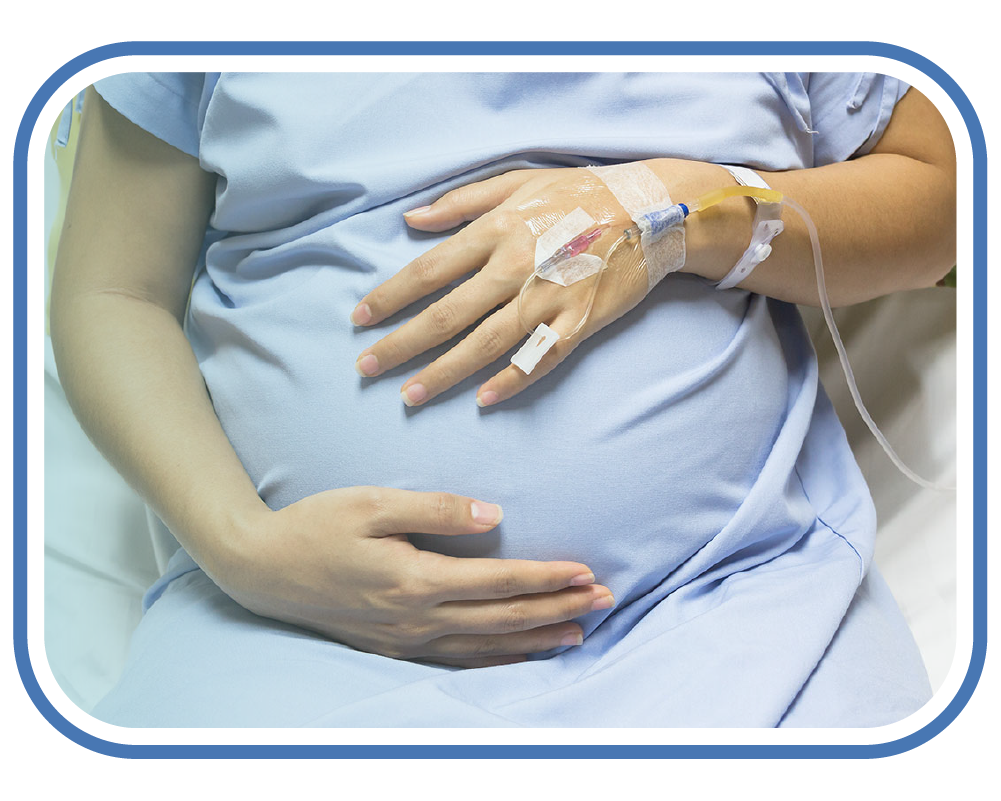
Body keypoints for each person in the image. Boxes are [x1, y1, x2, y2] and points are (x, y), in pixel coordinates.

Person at [50, 72, 956, 727]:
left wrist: (678, 206)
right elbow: (111, 291)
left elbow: (944, 195)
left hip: (739, 613)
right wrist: (244, 549)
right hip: (290, 636)